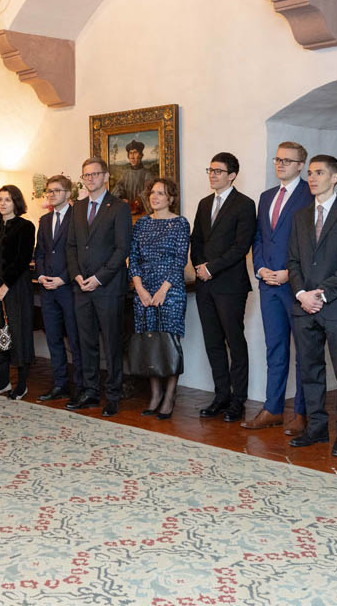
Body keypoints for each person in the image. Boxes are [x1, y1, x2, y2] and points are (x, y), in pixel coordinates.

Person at [287, 155, 337, 457]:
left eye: (319, 172)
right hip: (303, 305)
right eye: (309, 173)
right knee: (309, 369)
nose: (312, 177)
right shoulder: (300, 216)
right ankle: (316, 427)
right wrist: (302, 294)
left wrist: (321, 294)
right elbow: (292, 261)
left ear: (335, 177)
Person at [245, 142, 312, 434]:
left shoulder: (310, 193)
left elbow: (311, 242)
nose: (281, 164)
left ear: (301, 165)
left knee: (304, 351)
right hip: (268, 284)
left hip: (296, 284)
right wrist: (260, 268)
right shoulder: (267, 196)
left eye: (288, 160)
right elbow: (259, 237)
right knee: (275, 347)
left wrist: (289, 273)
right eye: (277, 159)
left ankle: (301, 413)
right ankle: (273, 408)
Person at [190, 152, 256, 423]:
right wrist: (199, 266)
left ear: (232, 175)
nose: (212, 175)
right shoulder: (205, 203)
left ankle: (238, 400)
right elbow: (197, 240)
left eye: (218, 171)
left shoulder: (244, 204)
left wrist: (211, 268)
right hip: (204, 285)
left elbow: (241, 246)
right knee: (213, 342)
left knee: (234, 341)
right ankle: (221, 396)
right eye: (210, 169)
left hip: (230, 285)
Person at [66, 157, 132, 417]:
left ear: (106, 176)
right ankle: (91, 392)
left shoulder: (118, 207)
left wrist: (99, 277)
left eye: (95, 174)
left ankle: (113, 395)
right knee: (86, 342)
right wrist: (77, 276)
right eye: (86, 175)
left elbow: (122, 248)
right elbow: (71, 246)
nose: (90, 179)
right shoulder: (78, 207)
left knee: (112, 343)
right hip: (82, 287)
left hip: (108, 288)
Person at [130, 178, 190, 420]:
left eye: (161, 193)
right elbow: (132, 258)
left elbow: (179, 260)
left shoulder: (180, 223)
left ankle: (170, 394)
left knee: (169, 342)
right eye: (152, 193)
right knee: (149, 341)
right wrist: (141, 289)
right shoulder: (141, 223)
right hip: (143, 290)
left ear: (171, 198)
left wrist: (163, 290)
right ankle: (154, 394)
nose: (155, 197)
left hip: (171, 290)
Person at [0, 185, 36, 398]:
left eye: (8, 200)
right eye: (0, 199)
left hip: (15, 289)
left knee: (18, 333)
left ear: (16, 203)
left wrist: (6, 285)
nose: (3, 203)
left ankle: (21, 383)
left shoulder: (26, 226)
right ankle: (3, 382)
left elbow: (22, 260)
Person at [35, 175, 84, 402]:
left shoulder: (78, 217)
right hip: (47, 289)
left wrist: (64, 278)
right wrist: (42, 275)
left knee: (75, 339)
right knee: (53, 338)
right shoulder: (44, 220)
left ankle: (81, 386)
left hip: (69, 288)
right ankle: (60, 383)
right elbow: (41, 252)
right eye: (49, 191)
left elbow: (80, 254)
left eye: (56, 190)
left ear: (68, 193)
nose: (51, 194)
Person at [112, 139, 155, 215]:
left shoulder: (147, 174)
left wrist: (137, 201)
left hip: (142, 214)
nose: (132, 157)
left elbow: (149, 191)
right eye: (130, 153)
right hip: (125, 213)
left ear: (141, 155)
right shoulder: (125, 174)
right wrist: (121, 199)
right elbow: (118, 188)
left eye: (135, 152)